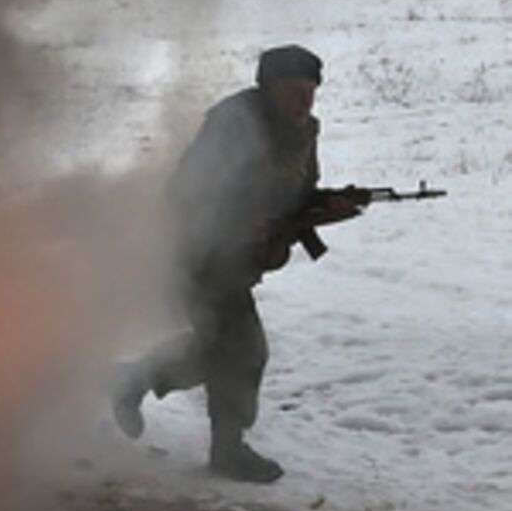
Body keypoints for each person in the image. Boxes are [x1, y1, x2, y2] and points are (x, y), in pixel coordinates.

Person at [111, 45, 362, 482]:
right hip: (198, 256)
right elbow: (185, 190)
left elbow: (295, 196)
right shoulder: (234, 123)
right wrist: (238, 220)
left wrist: (328, 205)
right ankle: (228, 451)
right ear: (267, 89)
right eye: (293, 91)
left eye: (311, 91)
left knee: (216, 350)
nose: (304, 101)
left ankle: (131, 381)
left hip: (238, 262)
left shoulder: (304, 132)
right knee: (246, 352)